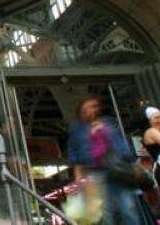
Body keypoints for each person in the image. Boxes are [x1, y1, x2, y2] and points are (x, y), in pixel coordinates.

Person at [67, 95, 143, 225]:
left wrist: (133, 164)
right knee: (105, 212)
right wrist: (78, 179)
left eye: (95, 106)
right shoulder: (77, 130)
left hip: (118, 171)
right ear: (81, 112)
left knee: (127, 208)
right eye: (88, 108)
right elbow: (76, 158)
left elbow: (121, 145)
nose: (92, 110)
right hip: (95, 174)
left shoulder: (107, 123)